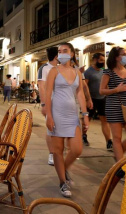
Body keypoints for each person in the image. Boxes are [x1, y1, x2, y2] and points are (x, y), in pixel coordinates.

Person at [45, 42, 89, 198]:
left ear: (71, 54)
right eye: (59, 51)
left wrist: (85, 114)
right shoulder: (53, 71)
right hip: (57, 114)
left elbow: (80, 94)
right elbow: (48, 93)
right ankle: (62, 182)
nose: (61, 53)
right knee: (58, 151)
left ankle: (64, 169)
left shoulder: (77, 72)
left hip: (72, 115)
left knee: (77, 149)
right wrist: (49, 115)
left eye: (65, 51)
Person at [100, 46, 126, 162]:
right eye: (124, 54)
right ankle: (121, 168)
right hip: (114, 107)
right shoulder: (108, 72)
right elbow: (101, 91)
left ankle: (118, 156)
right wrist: (116, 90)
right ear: (116, 57)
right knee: (117, 137)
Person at [84, 53, 113, 150]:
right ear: (95, 60)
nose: (102, 62)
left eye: (103, 60)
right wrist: (87, 99)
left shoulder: (103, 71)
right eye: (101, 60)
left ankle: (109, 141)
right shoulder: (88, 72)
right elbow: (85, 86)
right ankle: (83, 135)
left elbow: (106, 85)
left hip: (102, 99)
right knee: (88, 119)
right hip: (92, 99)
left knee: (104, 121)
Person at [37, 47, 59, 166]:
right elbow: (41, 87)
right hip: (50, 103)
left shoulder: (62, 68)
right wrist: (44, 104)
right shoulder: (44, 68)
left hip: (62, 103)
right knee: (51, 128)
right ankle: (51, 154)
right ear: (56, 56)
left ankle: (59, 152)